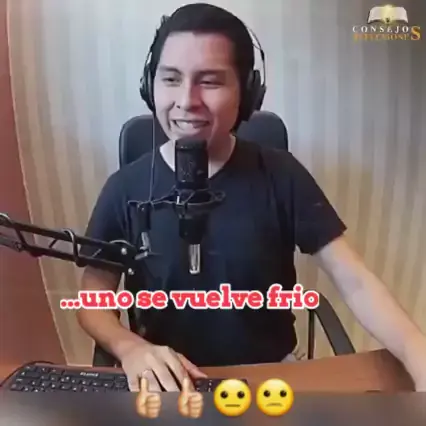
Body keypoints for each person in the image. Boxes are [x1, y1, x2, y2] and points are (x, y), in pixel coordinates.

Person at [76, 3, 426, 393]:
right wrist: (130, 348)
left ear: (247, 92)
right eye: (171, 78)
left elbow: (355, 281)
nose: (186, 100)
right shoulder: (125, 187)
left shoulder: (281, 174)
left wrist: (418, 353)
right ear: (149, 85)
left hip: (270, 380)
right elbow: (93, 300)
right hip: (170, 384)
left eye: (210, 81)